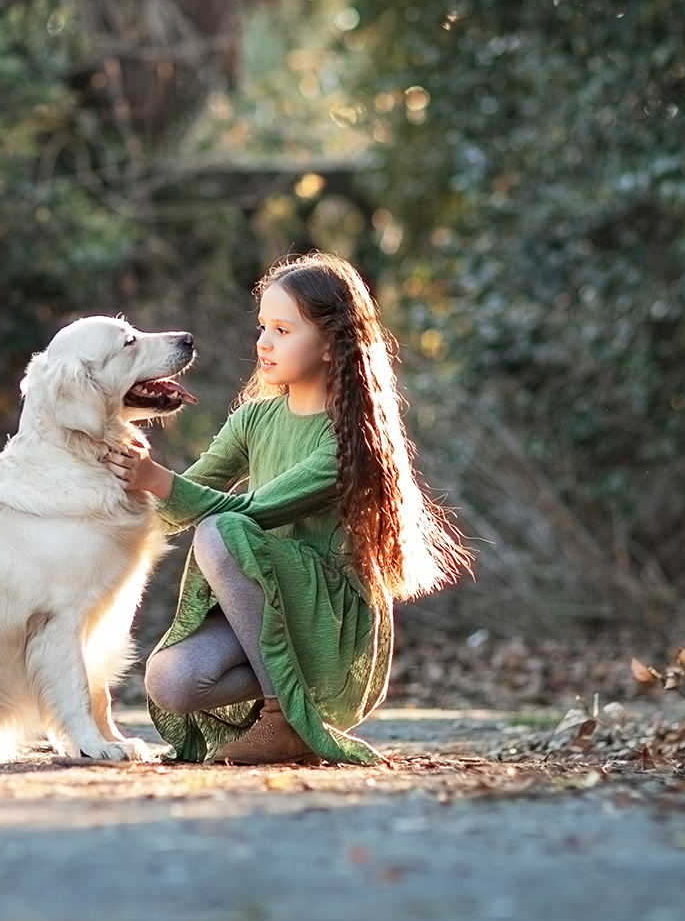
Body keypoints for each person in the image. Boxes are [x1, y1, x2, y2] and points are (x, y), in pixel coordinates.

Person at [101, 251, 470, 765]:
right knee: (169, 680)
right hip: (265, 601)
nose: (263, 343)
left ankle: (283, 720)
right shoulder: (255, 419)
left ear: (331, 343)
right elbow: (178, 503)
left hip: (328, 616)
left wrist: (157, 479)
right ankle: (286, 689)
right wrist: (106, 504)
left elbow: (251, 512)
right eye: (262, 327)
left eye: (283, 329)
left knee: (219, 530)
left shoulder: (349, 440)